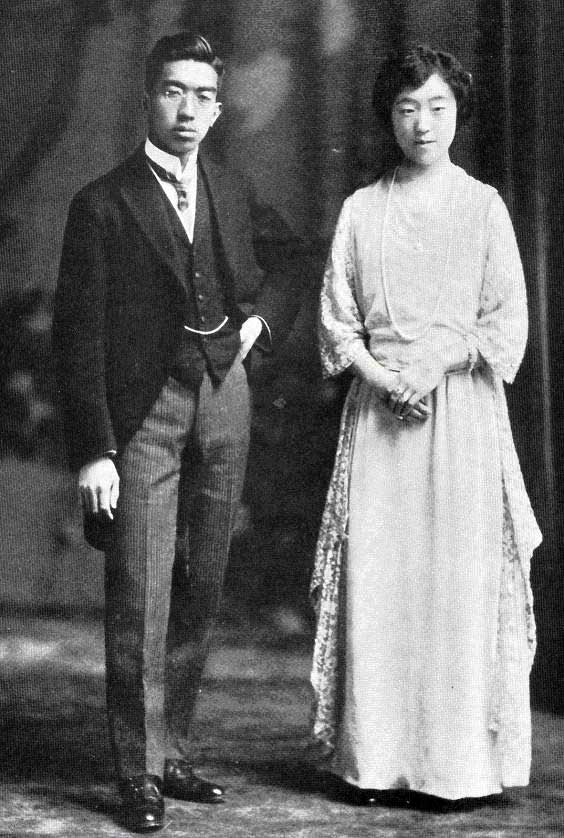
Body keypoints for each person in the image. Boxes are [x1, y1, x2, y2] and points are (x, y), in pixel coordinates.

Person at [52, 32, 303, 833]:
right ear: (147, 98)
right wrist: (95, 448)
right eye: (172, 91)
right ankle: (137, 773)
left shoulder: (230, 186)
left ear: (220, 108)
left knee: (203, 582)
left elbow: (291, 260)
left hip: (227, 398)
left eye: (203, 95)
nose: (188, 109)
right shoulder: (101, 202)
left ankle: (172, 752)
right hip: (143, 414)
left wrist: (258, 327)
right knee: (140, 591)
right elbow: (77, 335)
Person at [310, 45, 542, 806]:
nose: (423, 123)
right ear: (389, 117)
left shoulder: (483, 208)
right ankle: (374, 763)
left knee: (455, 589)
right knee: (382, 587)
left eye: (438, 106)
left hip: (461, 418)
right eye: (408, 108)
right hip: (382, 421)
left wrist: (436, 366)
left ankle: (455, 771)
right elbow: (338, 326)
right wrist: (386, 379)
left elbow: (505, 321)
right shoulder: (360, 210)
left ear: (457, 114)